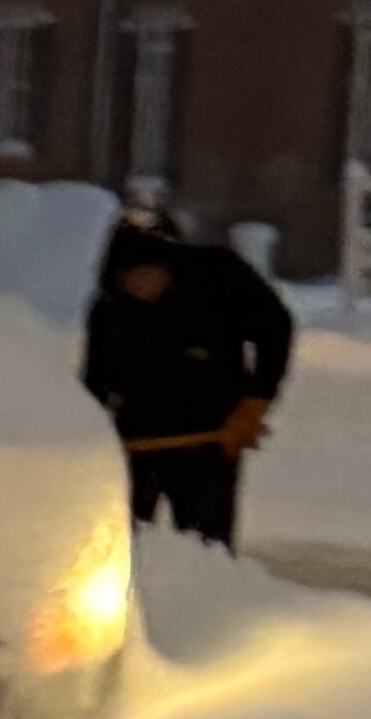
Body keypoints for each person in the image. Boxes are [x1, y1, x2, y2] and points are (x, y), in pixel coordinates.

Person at [82, 219, 293, 552]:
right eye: (131, 278)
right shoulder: (110, 308)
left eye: (150, 274)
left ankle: (207, 580)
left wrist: (257, 399)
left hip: (210, 433)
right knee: (123, 542)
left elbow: (275, 329)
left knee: (205, 541)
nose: (142, 286)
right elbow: (96, 378)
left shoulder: (219, 279)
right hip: (137, 438)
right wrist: (90, 433)